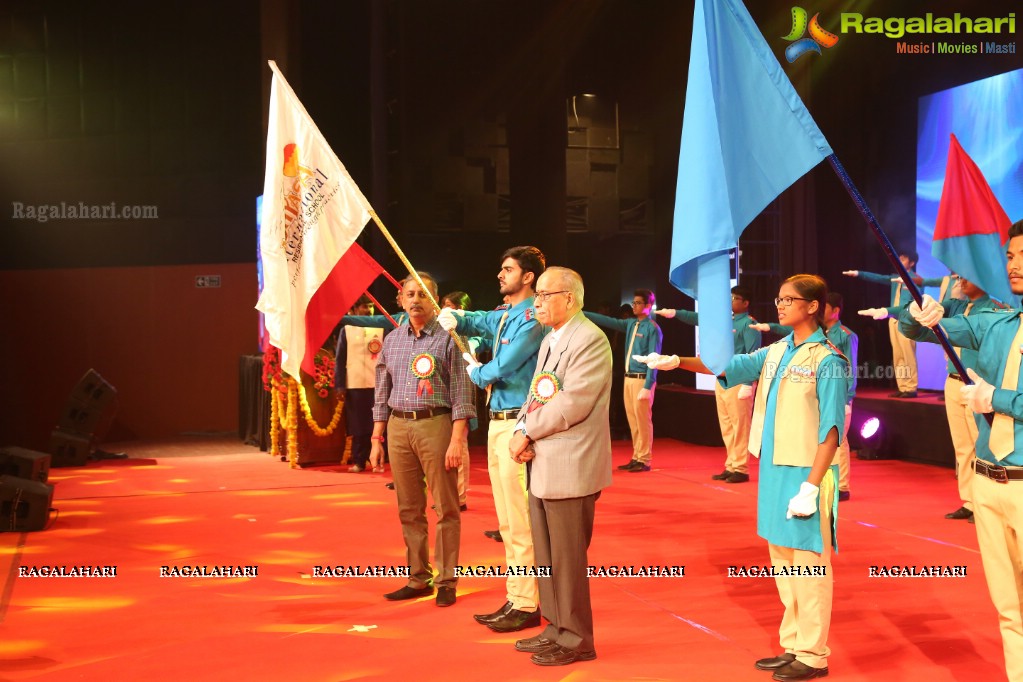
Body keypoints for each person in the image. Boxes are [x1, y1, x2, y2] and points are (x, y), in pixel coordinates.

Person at [639, 274, 847, 681]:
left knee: (809, 567)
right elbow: (726, 368)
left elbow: (833, 429)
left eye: (790, 299)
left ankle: (814, 653)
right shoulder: (777, 351)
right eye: (779, 298)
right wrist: (677, 361)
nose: (781, 305)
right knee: (783, 564)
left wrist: (811, 486)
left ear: (813, 307)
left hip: (807, 473)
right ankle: (794, 644)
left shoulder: (828, 359)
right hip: (773, 468)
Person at [899, 220, 1023, 680]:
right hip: (990, 483)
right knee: (1009, 610)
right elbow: (924, 331)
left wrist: (999, 400)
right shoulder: (998, 324)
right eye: (1010, 256)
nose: (1013, 265)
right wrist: (922, 312)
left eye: (1022, 255)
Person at [439, 246, 547, 633]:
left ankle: (529, 601)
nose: (500, 275)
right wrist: (459, 317)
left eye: (508, 269)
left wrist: (478, 372)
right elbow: (482, 321)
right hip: (498, 421)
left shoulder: (533, 317)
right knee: (507, 520)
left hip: (519, 423)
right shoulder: (506, 315)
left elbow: (507, 363)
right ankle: (517, 596)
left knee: (520, 520)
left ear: (528, 276)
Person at [508, 266, 612, 667]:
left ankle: (578, 639)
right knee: (547, 556)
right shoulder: (553, 339)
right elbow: (536, 395)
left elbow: (573, 403)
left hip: (570, 464)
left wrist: (528, 433)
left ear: (568, 298)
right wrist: (523, 427)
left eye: (544, 295)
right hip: (544, 463)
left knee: (568, 559)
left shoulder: (590, 339)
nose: (537, 303)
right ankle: (555, 627)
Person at [369, 271, 476, 608]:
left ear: (434, 301)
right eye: (409, 294)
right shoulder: (392, 340)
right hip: (399, 427)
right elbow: (381, 390)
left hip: (436, 424)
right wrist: (377, 436)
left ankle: (446, 580)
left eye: (422, 295)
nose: (415, 300)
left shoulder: (449, 338)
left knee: (446, 508)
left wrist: (457, 438)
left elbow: (462, 390)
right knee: (409, 508)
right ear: (400, 300)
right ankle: (418, 577)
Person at [754, 292, 857, 501]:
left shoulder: (845, 335)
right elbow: (784, 329)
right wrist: (769, 327)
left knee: (837, 439)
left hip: (839, 394)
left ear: (835, 311)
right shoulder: (815, 332)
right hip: (814, 393)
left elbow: (850, 369)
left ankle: (842, 485)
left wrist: (847, 398)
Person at [658, 285, 761, 483]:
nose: (731, 301)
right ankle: (731, 464)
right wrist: (675, 313)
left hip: (739, 379)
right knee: (727, 424)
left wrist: (749, 383)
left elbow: (753, 355)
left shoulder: (749, 324)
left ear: (745, 303)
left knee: (740, 424)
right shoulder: (726, 320)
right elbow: (699, 319)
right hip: (722, 377)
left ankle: (741, 467)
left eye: (735, 298)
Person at [583, 289, 662, 472]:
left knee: (642, 420)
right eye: (633, 303)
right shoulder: (631, 324)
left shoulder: (652, 328)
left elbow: (654, 358)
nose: (634, 306)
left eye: (638, 303)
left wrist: (649, 384)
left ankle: (645, 458)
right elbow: (609, 321)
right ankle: (636, 456)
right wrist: (583, 313)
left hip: (642, 379)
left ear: (648, 306)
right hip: (629, 378)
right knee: (633, 420)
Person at [843, 251, 942, 398]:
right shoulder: (896, 278)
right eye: (899, 258)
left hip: (908, 320)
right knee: (898, 355)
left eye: (903, 258)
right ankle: (902, 386)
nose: (899, 260)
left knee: (908, 354)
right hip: (893, 319)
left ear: (912, 263)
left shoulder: (916, 280)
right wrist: (858, 273)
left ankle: (911, 387)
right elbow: (878, 278)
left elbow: (917, 302)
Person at [440, 290, 488, 512]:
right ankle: (443, 494)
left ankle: (459, 497)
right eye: (444, 306)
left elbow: (481, 341)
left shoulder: (472, 334)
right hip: (440, 396)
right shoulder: (438, 332)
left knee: (460, 445)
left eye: (451, 307)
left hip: (462, 394)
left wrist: (473, 345)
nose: (446, 310)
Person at [334, 295, 384, 473]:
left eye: (371, 306)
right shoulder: (346, 330)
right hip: (354, 385)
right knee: (358, 426)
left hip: (377, 384)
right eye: (364, 307)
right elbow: (339, 360)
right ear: (353, 311)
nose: (368, 310)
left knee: (376, 424)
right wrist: (339, 385)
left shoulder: (380, 327)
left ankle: (376, 461)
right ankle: (359, 461)